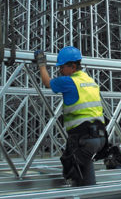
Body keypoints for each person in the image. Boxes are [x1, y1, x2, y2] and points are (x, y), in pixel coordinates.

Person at [35, 46, 107, 187]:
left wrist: (41, 64)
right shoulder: (90, 80)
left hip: (83, 138)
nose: (60, 70)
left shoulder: (69, 81)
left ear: (73, 66)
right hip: (100, 136)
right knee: (84, 167)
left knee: (72, 171)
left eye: (62, 67)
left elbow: (47, 82)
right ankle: (88, 191)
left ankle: (80, 193)